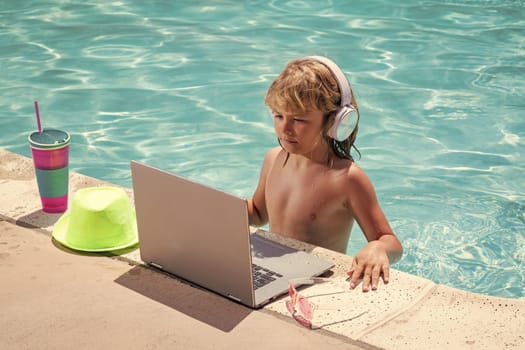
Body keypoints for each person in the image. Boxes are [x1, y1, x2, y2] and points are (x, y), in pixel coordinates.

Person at [247, 56, 403, 292]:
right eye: (278, 116)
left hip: (316, 285)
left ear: (335, 122)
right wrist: (211, 210)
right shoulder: (273, 158)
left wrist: (378, 248)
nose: (285, 128)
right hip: (273, 272)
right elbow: (258, 213)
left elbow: (391, 242)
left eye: (298, 119)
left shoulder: (347, 179)